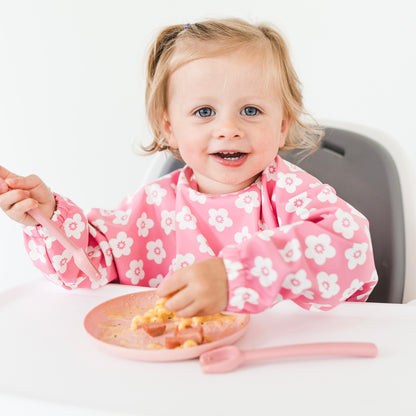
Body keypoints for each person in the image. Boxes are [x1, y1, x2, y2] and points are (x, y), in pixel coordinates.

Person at [0, 18, 377, 317]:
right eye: (204, 112)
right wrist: (46, 215)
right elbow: (92, 264)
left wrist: (238, 277)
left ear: (282, 125)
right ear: (170, 128)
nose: (228, 129)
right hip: (176, 370)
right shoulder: (152, 208)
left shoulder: (291, 196)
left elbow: (351, 249)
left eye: (251, 110)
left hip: (277, 367)